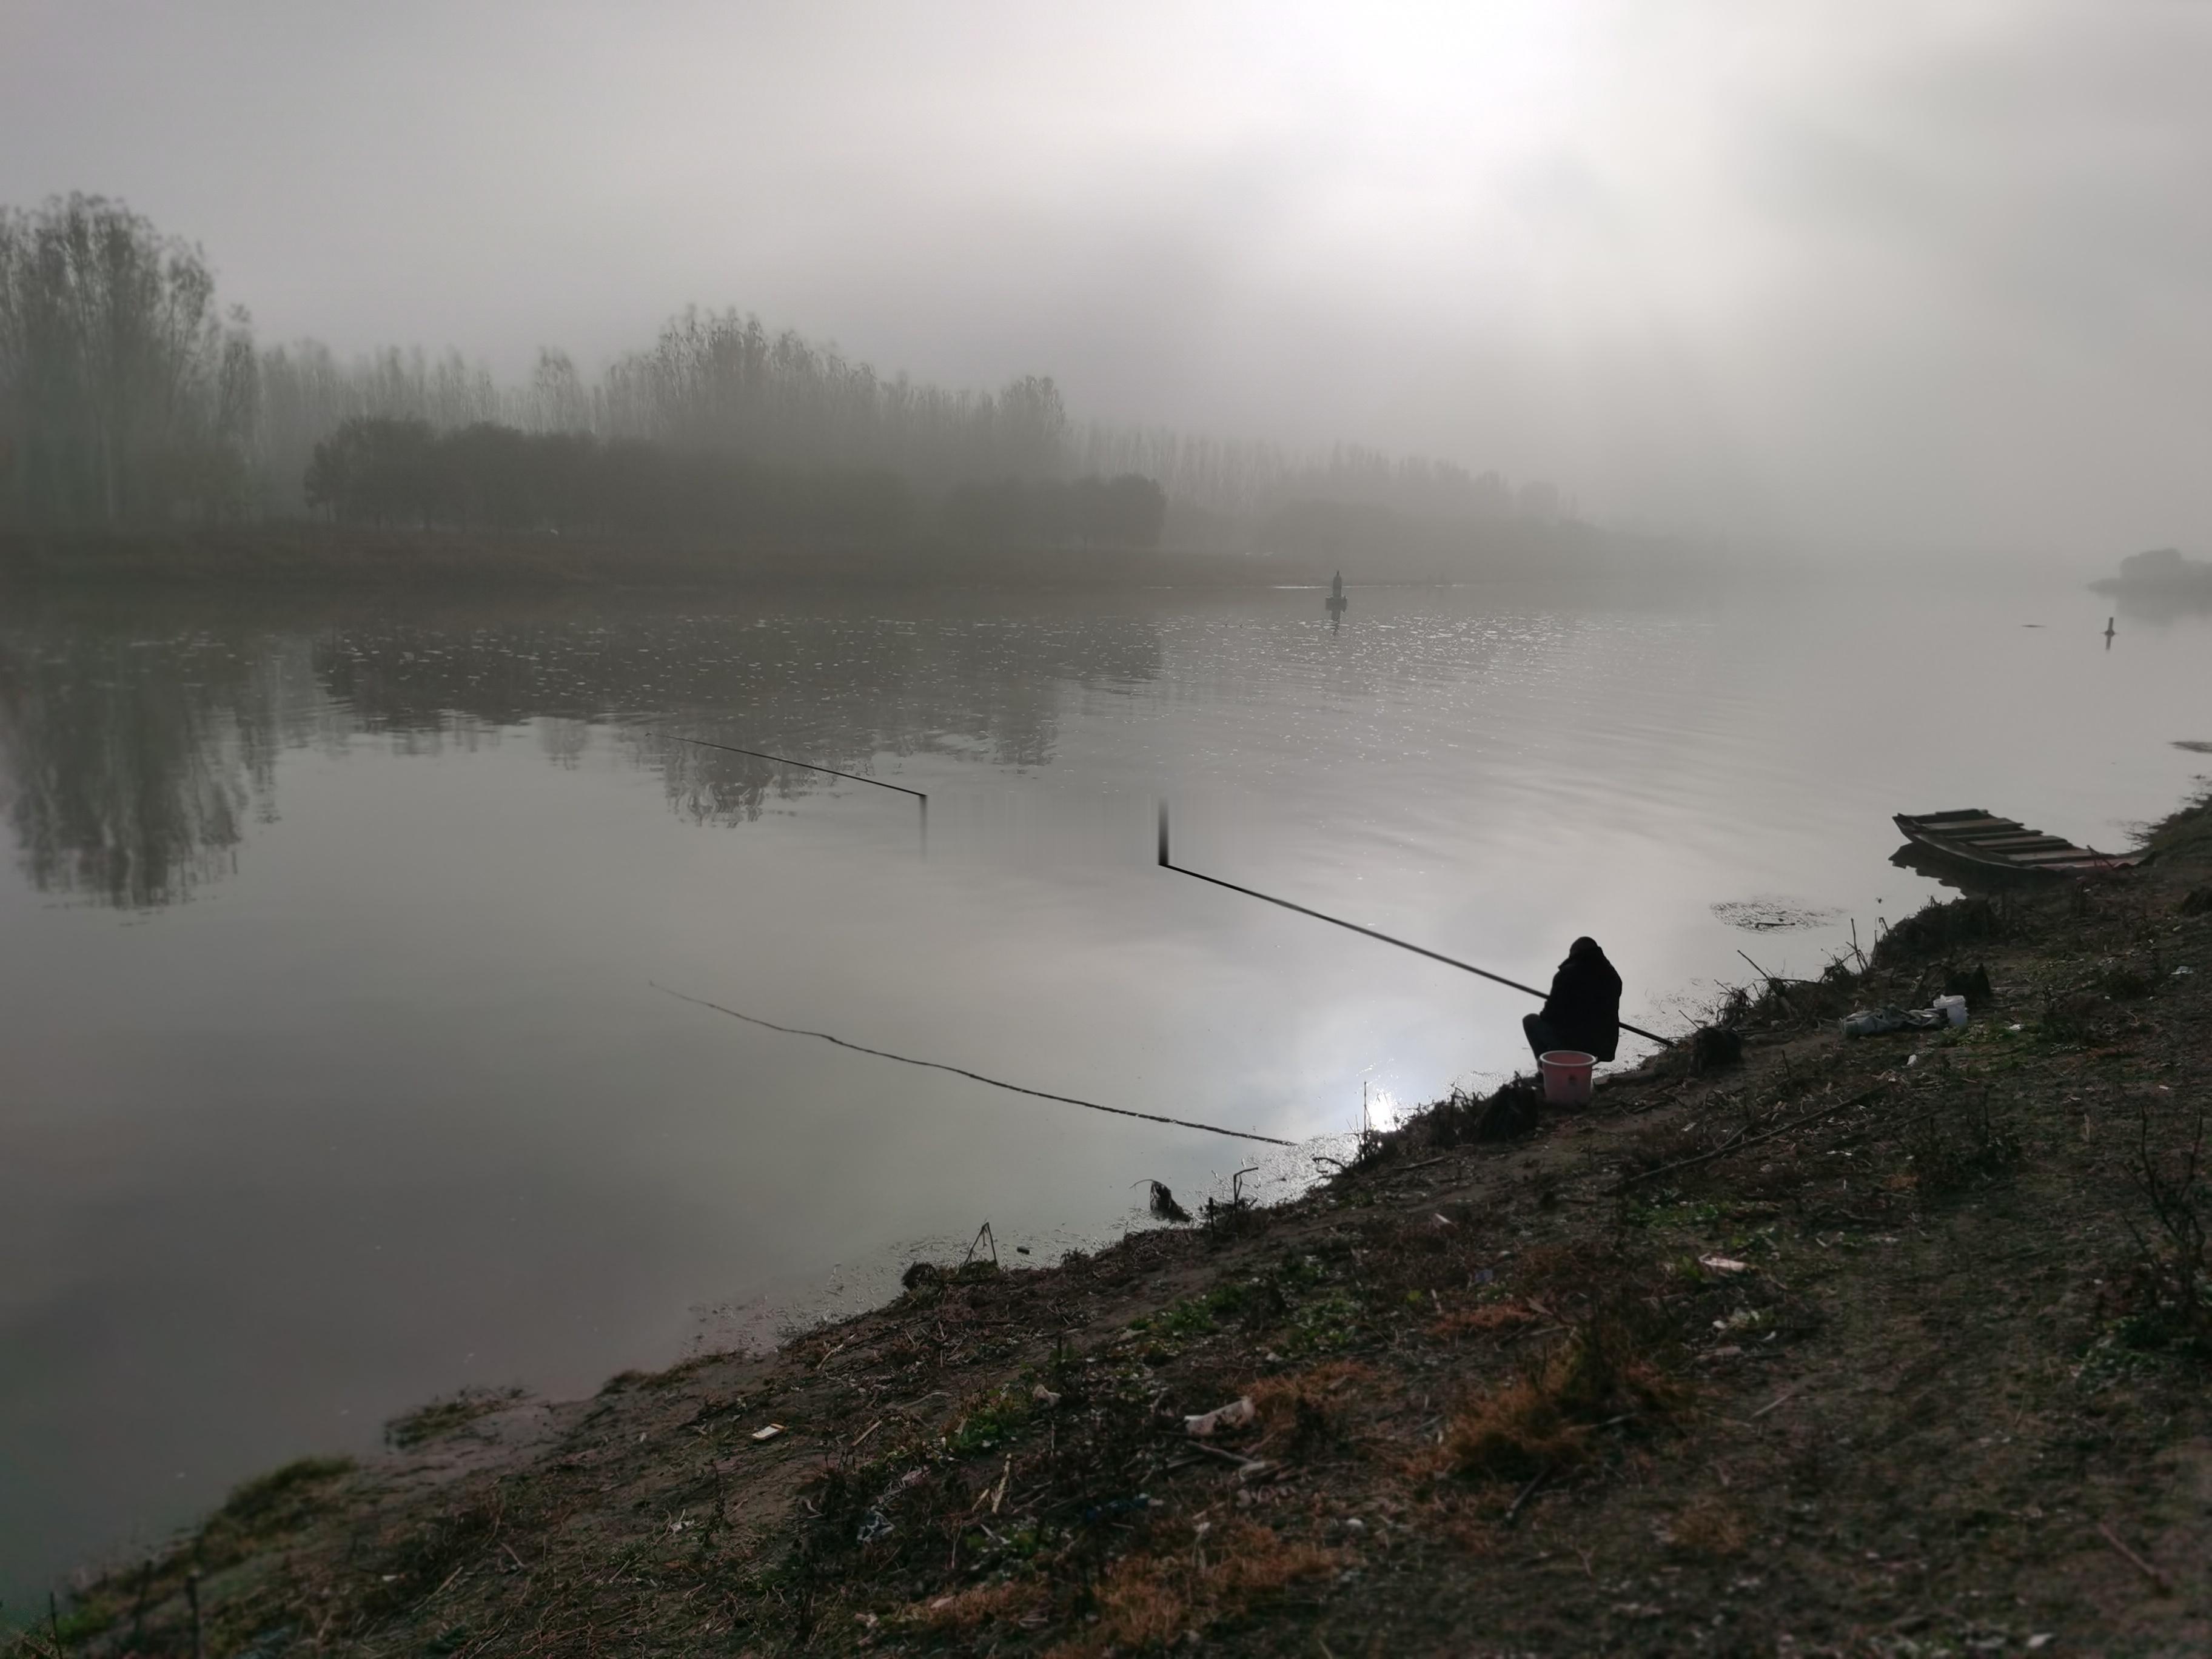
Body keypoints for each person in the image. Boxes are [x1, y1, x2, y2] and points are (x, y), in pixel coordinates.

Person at [1523, 936, 1621, 1065]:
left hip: (1574, 1044)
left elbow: (1550, 1014)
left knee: (1530, 1020)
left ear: (1574, 954)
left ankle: (1547, 1071)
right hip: (1602, 1047)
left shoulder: (1567, 974)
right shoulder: (1613, 977)